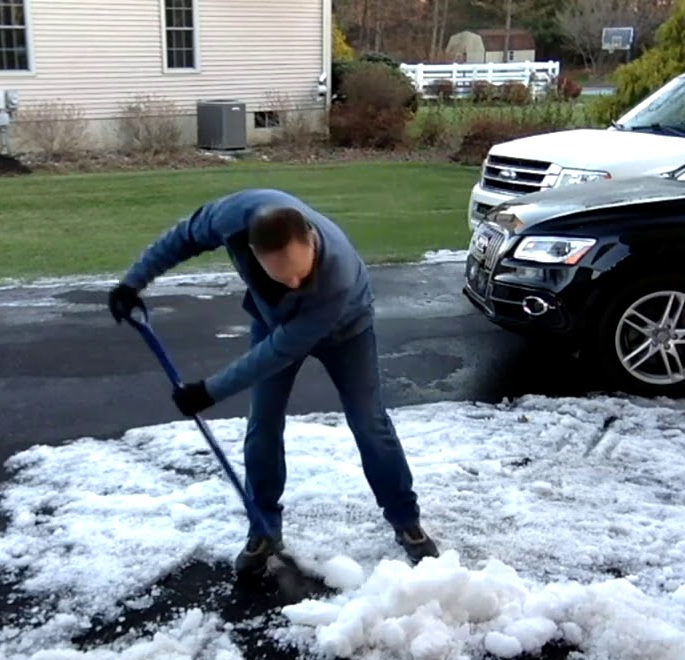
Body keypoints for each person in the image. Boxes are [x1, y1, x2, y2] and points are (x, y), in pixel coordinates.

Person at [107, 188, 440, 575]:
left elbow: (277, 353)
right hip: (273, 321)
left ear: (310, 239)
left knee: (369, 422)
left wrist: (208, 391)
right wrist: (132, 283)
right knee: (263, 424)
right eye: (283, 276)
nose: (296, 281)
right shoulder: (230, 218)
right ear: (251, 250)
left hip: (347, 330)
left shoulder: (337, 275)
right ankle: (263, 527)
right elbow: (182, 239)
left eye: (301, 270)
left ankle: (406, 520)